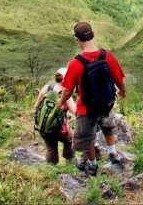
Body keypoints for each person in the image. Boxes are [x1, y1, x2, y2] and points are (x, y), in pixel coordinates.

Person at [57, 22, 127, 176]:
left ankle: (93, 165)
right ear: (93, 34)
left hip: (86, 109)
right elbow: (120, 80)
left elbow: (67, 91)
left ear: (77, 39)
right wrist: (122, 92)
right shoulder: (107, 56)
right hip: (106, 104)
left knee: (86, 138)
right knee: (108, 128)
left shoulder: (76, 63)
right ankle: (113, 154)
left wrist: (61, 103)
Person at [34, 67, 77, 164]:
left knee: (51, 148)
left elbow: (36, 105)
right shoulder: (65, 94)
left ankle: (51, 168)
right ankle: (70, 160)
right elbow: (75, 111)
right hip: (58, 128)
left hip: (43, 127)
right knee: (70, 139)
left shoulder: (46, 88)